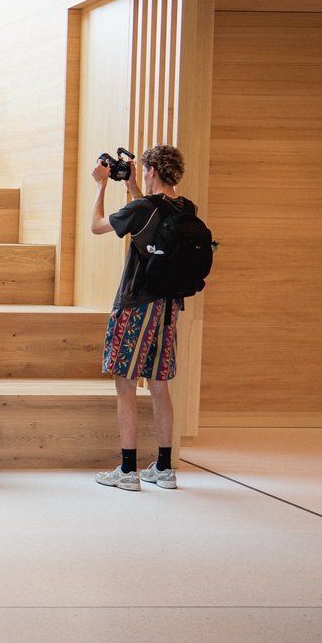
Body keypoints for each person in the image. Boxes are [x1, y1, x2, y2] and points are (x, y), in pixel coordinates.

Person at [90, 143, 190, 492]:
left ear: (152, 171)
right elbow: (148, 220)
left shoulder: (144, 207)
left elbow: (97, 226)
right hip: (168, 307)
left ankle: (128, 470)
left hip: (135, 304)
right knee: (159, 385)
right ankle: (164, 468)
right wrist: (133, 186)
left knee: (126, 384)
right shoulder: (185, 207)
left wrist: (102, 183)